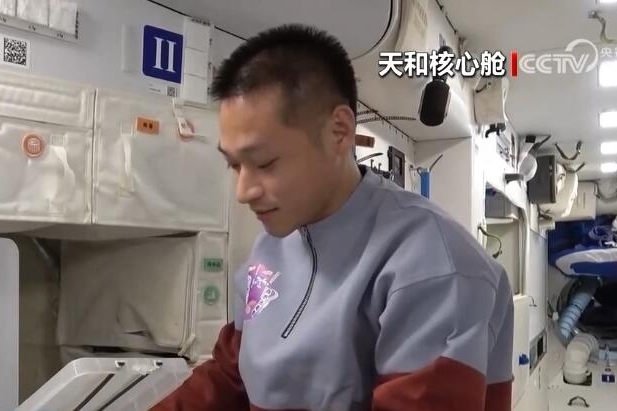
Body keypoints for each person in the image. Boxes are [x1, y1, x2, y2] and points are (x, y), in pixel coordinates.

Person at [151, 23, 514, 411]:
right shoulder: (272, 245)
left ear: (339, 132)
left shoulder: (433, 266)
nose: (244, 191)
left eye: (265, 163)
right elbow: (232, 375)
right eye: (235, 165)